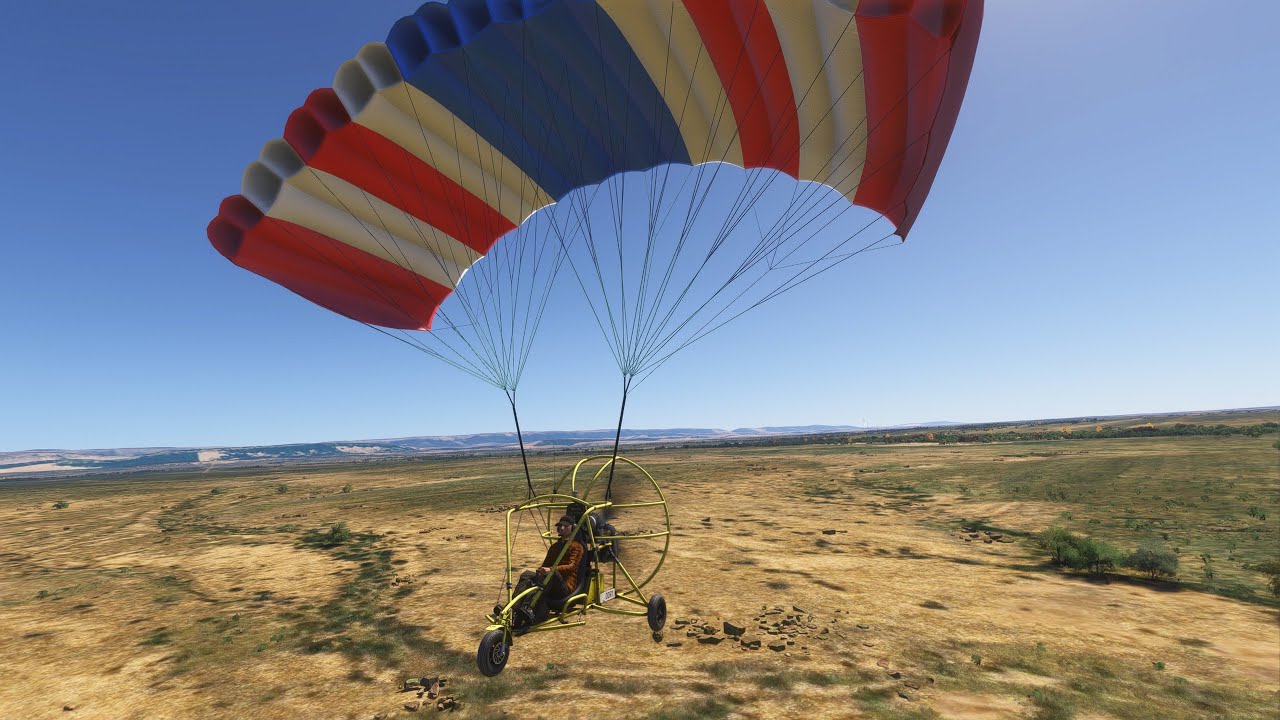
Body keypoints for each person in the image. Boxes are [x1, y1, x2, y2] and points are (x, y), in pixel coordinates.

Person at [510, 514, 584, 623]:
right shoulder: (554, 547)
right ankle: (513, 608)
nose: (562, 528)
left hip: (565, 586)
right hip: (550, 581)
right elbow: (545, 564)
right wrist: (540, 571)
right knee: (527, 575)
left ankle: (533, 609)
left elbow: (571, 567)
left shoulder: (577, 547)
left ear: (572, 528)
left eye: (566, 526)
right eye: (560, 526)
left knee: (552, 575)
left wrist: (552, 570)